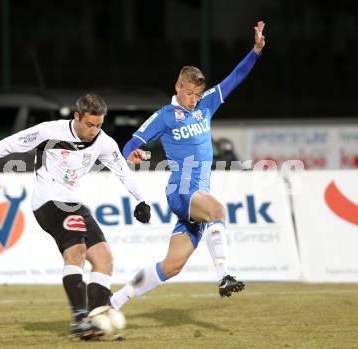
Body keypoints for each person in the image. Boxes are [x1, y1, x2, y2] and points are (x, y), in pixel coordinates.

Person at [0, 94, 152, 340]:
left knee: (104, 259)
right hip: (48, 202)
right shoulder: (49, 131)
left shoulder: (104, 142)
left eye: (99, 125)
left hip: (74, 205)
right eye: (89, 124)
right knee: (76, 251)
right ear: (76, 117)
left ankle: (97, 321)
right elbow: (7, 145)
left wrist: (141, 200)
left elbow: (122, 170)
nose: (94, 131)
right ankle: (80, 321)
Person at [111, 21, 266, 310]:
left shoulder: (206, 105)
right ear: (177, 86)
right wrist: (132, 153)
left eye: (197, 94)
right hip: (181, 190)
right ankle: (225, 276)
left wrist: (255, 51)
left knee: (171, 266)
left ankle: (114, 301)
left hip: (196, 196)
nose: (193, 100)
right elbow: (131, 143)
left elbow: (236, 78)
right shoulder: (165, 116)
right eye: (189, 93)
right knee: (218, 210)